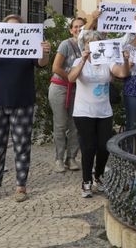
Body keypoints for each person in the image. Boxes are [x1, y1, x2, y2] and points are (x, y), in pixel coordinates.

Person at [0, 14, 51, 202]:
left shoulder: (30, 43)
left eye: (17, 28)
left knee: (22, 145)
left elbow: (42, 64)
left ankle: (21, 186)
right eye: (9, 27)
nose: (13, 31)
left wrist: (45, 52)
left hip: (23, 102)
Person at [68, 30, 132, 198]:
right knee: (88, 147)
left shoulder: (107, 60)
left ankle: (99, 176)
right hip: (83, 112)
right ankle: (86, 181)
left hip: (104, 112)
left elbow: (123, 73)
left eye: (97, 42)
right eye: (90, 43)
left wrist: (125, 60)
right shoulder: (78, 60)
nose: (93, 45)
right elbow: (71, 78)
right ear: (85, 45)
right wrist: (83, 59)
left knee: (104, 147)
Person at [48, 17, 85, 173]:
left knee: (75, 125)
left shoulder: (88, 46)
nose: (78, 29)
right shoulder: (66, 44)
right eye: (75, 27)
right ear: (71, 30)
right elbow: (55, 67)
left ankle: (72, 158)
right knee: (61, 124)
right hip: (60, 88)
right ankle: (59, 159)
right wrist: (70, 78)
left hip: (79, 89)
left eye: (81, 27)